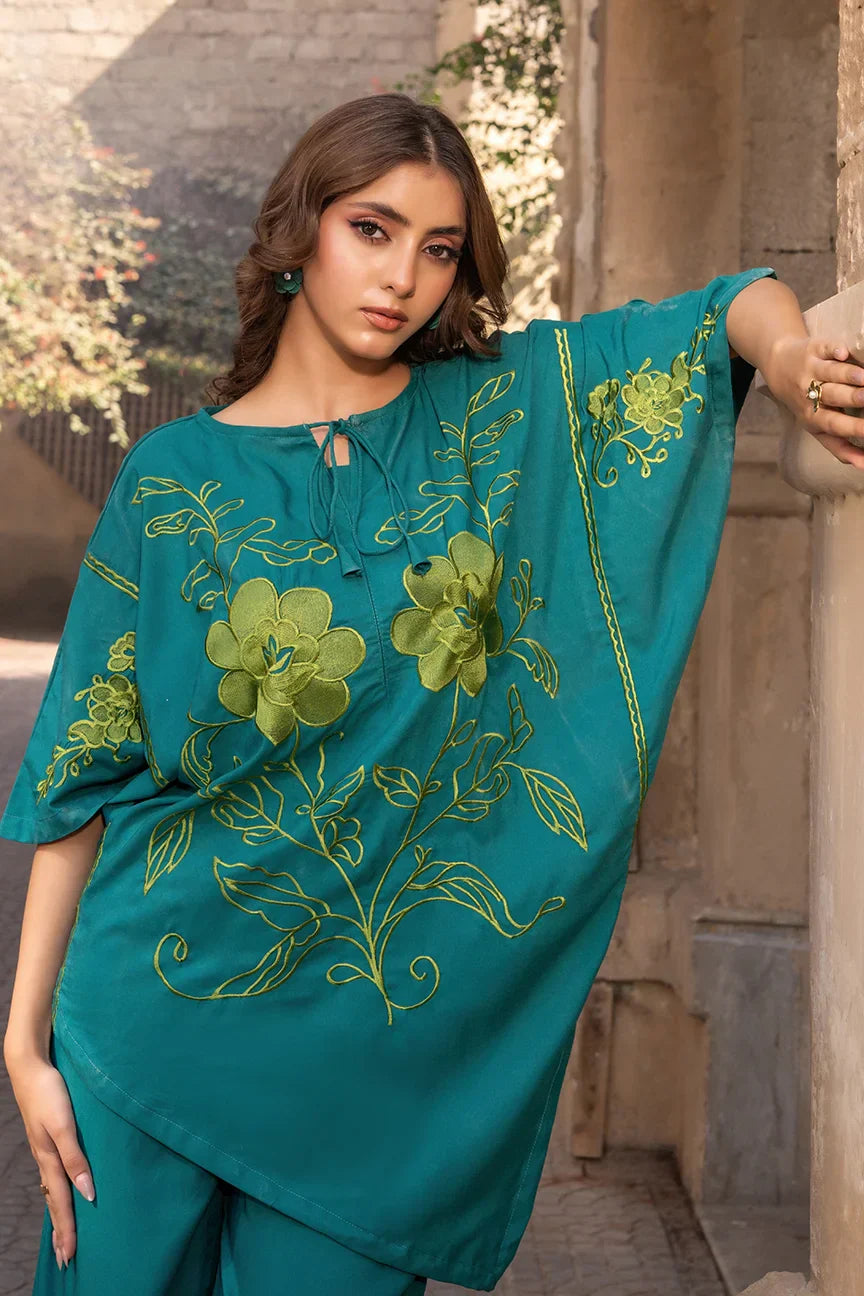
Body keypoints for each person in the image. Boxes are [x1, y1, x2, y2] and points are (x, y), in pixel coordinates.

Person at [2, 91, 863, 1295]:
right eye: (372, 229)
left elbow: (721, 312)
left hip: (376, 1074)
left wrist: (789, 357)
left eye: (440, 248)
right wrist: (25, 1039)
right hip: (153, 1023)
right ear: (300, 233)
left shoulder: (498, 418)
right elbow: (85, 768)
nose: (402, 276)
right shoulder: (171, 479)